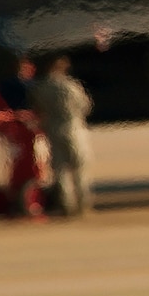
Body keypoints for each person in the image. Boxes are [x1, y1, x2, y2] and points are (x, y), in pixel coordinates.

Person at [30, 55, 93, 216]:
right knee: (79, 166)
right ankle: (82, 204)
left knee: (60, 168)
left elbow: (38, 108)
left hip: (53, 129)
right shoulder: (71, 86)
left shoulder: (42, 87)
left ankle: (67, 204)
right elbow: (85, 106)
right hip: (73, 127)